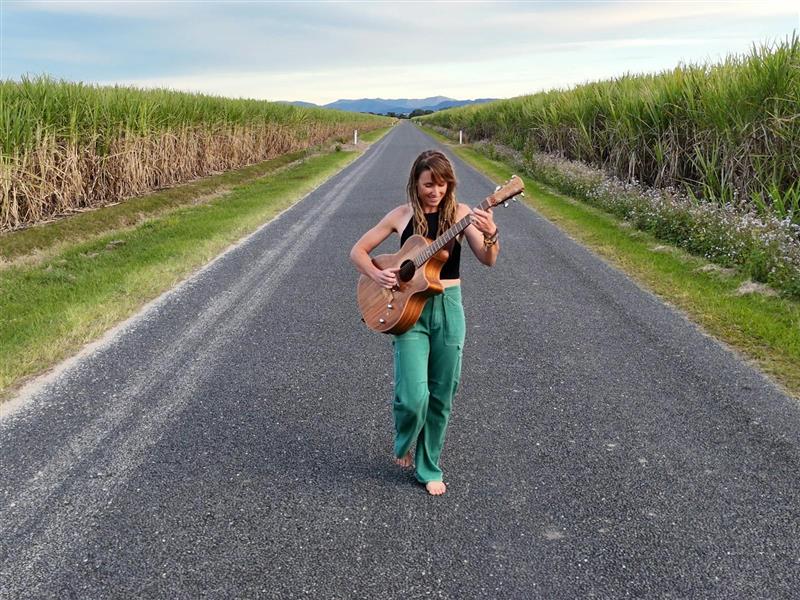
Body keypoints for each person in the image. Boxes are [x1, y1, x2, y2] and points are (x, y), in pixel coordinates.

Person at [349, 149, 500, 496]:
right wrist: (377, 273)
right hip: (408, 311)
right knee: (413, 396)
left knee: (442, 393)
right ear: (415, 184)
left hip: (447, 306)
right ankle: (404, 439)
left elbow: (488, 259)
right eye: (429, 184)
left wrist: (491, 232)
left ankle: (428, 466)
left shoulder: (461, 215)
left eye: (442, 184)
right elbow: (357, 251)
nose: (436, 191)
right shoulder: (401, 216)